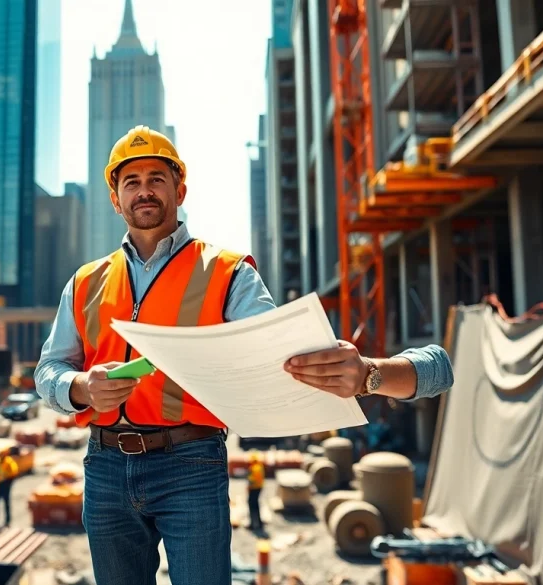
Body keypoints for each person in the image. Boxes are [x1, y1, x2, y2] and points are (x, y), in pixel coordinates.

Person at [34, 125, 454, 585]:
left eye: (157, 177)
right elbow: (48, 370)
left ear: (180, 188)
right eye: (130, 182)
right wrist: (79, 387)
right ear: (115, 199)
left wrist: (373, 372)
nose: (144, 190)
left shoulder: (227, 272)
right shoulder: (84, 282)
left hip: (189, 465)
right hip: (105, 466)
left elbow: (287, 358)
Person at [0, 446, 20, 528]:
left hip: (5, 484)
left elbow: (14, 474)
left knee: (6, 502)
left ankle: (7, 521)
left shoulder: (9, 462)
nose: (0, 455)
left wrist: (7, 483)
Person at [247, 451, 265, 532]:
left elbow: (252, 480)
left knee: (252, 506)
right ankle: (259, 523)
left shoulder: (254, 468)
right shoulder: (260, 466)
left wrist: (249, 485)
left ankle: (253, 524)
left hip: (254, 489)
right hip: (259, 488)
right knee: (256, 506)